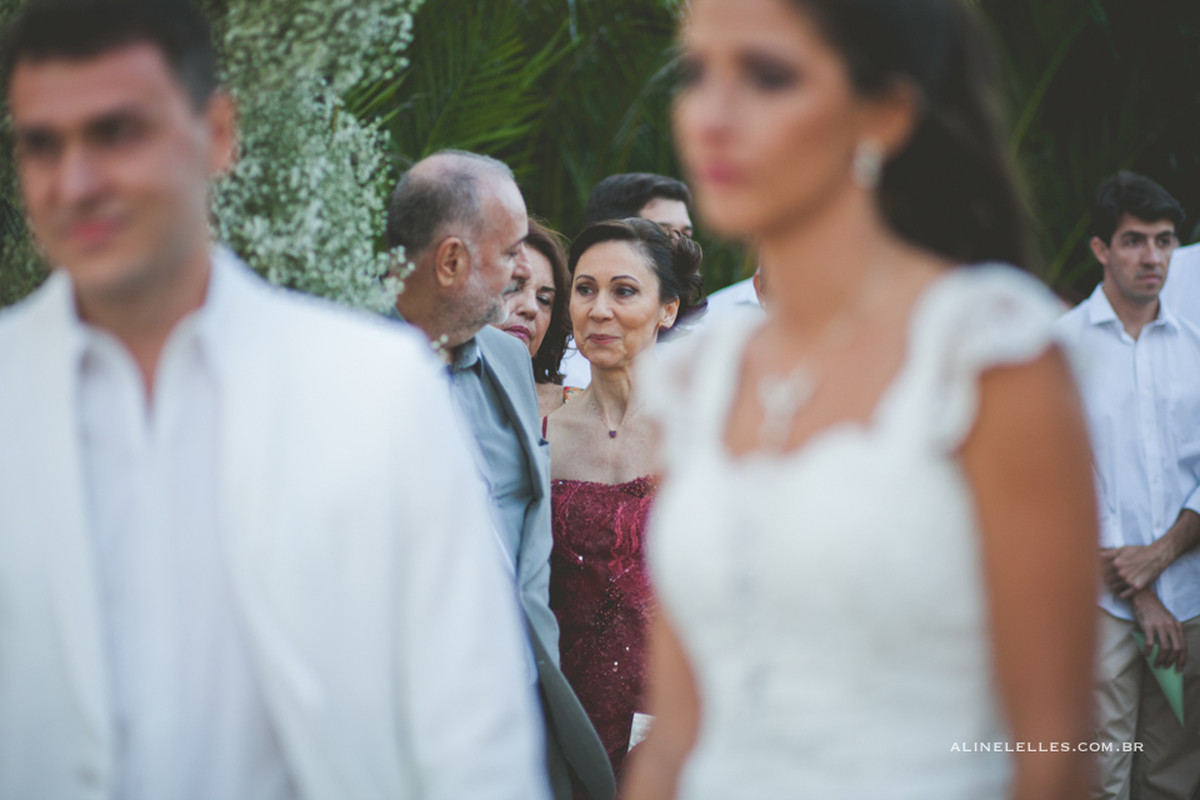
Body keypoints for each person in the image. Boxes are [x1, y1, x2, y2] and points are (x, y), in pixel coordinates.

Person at [0, 2, 547, 799]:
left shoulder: (375, 390)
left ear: (218, 134)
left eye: (120, 133)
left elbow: (472, 738)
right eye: (42, 144)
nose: (76, 182)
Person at [622, 1, 1098, 799]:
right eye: (696, 72)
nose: (712, 115)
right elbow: (678, 736)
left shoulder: (987, 353)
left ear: (882, 113)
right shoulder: (698, 377)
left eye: (768, 76)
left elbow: (1054, 753)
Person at [385, 152, 615, 800]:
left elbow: (526, 545)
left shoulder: (510, 361)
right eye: (511, 251)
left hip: (520, 729)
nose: (524, 270)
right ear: (451, 262)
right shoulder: (351, 377)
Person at [1054, 172, 1200, 800]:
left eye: (1164, 241)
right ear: (1100, 250)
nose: (1152, 257)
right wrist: (1141, 595)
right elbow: (1068, 485)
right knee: (1101, 779)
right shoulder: (1059, 348)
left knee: (1172, 778)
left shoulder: (1196, 349)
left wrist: (1164, 556)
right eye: (1134, 240)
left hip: (1190, 601)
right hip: (1099, 605)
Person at [546, 218, 704, 778]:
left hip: (681, 713)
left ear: (669, 309)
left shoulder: (705, 429)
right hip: (564, 718)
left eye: (625, 290)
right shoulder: (542, 433)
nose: (599, 309)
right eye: (585, 289)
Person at [561, 174, 697, 388]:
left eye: (685, 233)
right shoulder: (558, 378)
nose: (678, 245)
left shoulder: (703, 369)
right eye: (664, 232)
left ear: (669, 310)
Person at [493, 220, 576, 419]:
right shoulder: (420, 388)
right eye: (512, 287)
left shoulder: (576, 412)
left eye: (544, 300)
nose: (531, 308)